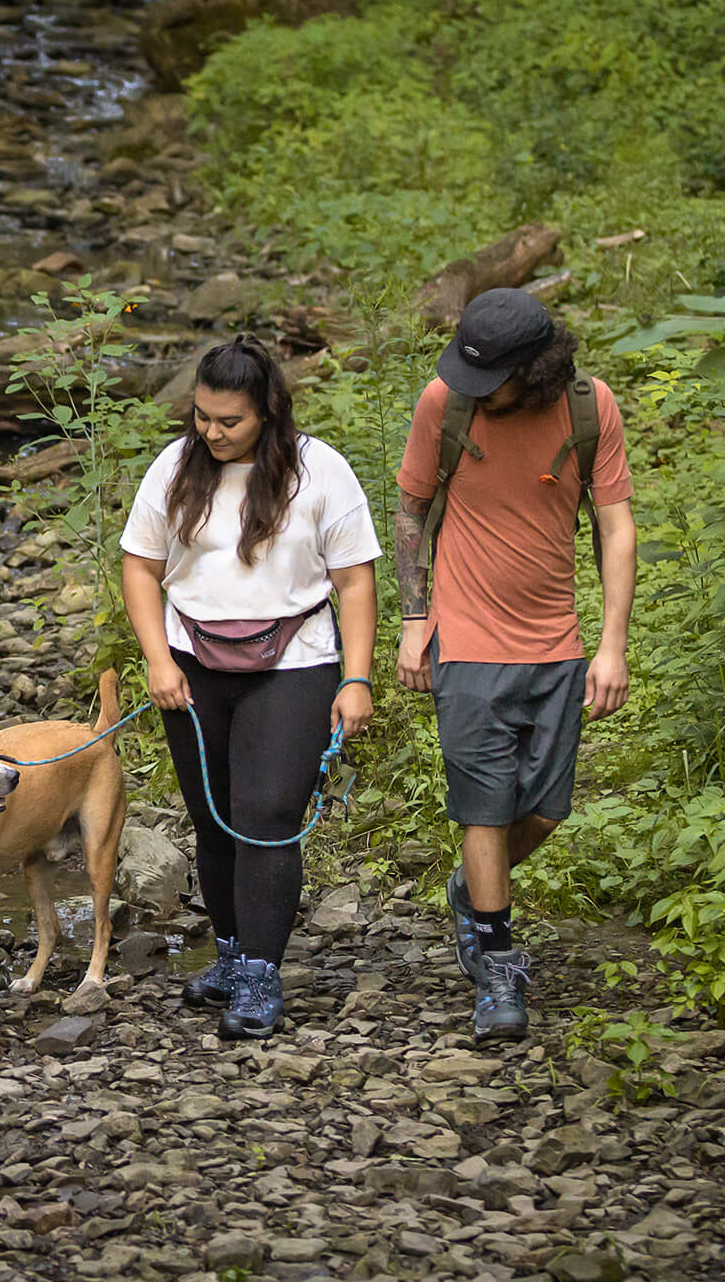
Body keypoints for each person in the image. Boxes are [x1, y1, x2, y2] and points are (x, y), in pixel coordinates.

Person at [391, 289, 636, 1043]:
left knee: (545, 809)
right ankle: (496, 967)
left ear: (534, 369)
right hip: (464, 642)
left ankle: (473, 887)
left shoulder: (589, 410)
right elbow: (410, 512)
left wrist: (612, 644)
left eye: (485, 376)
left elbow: (615, 525)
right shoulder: (446, 404)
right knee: (485, 808)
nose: (465, 388)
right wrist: (413, 618)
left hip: (555, 644)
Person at [120, 336, 380, 1041]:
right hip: (190, 661)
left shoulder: (319, 470)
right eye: (202, 416)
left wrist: (354, 679)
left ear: (266, 411)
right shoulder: (175, 468)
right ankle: (231, 957)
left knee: (264, 816)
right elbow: (140, 567)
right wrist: (157, 660)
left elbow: (355, 582)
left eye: (228, 421)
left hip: (294, 662)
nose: (211, 432)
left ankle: (263, 975)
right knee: (212, 818)